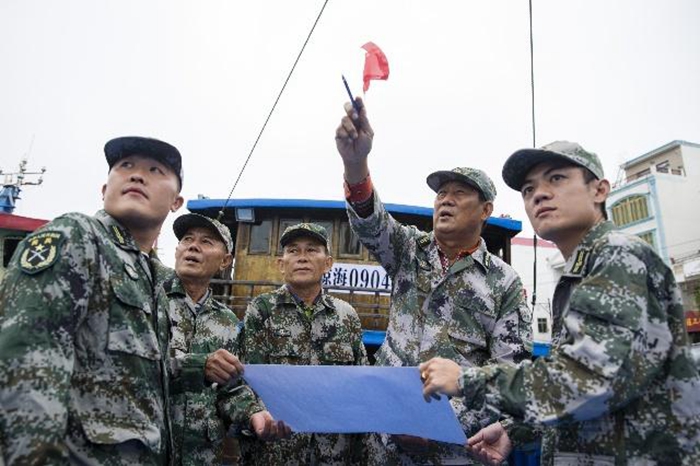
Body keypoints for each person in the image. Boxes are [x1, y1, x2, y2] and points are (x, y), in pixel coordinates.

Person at [421, 141, 700, 465]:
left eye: (556, 179)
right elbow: (596, 396)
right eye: (528, 189)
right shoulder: (582, 271)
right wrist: (518, 428)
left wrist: (464, 380)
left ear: (599, 190)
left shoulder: (618, 256)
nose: (538, 194)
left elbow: (587, 379)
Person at [334, 97, 532, 464]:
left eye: (459, 193)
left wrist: (439, 425)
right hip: (383, 443)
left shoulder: (504, 283)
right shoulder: (408, 249)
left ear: (486, 210)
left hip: (453, 449)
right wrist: (354, 162)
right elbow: (369, 222)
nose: (446, 200)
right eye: (441, 193)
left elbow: (509, 375)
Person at [0, 136, 184, 464]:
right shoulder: (77, 236)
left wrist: (205, 366)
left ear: (176, 201)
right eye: (125, 166)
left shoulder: (154, 277)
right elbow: (25, 364)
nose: (137, 175)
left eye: (155, 170)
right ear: (104, 189)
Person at [165, 213, 290, 465]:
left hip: (202, 457)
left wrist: (254, 415)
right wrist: (198, 365)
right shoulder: (148, 301)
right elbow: (136, 367)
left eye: (206, 242)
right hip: (148, 450)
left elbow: (230, 389)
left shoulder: (228, 321)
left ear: (225, 261)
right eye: (187, 239)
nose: (193, 246)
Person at [239, 222, 369, 465]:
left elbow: (360, 382)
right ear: (281, 264)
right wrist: (255, 418)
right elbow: (246, 377)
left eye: (311, 250)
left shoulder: (346, 315)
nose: (302, 258)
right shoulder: (262, 310)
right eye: (293, 251)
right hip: (275, 451)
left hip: (333, 451)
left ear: (328, 263)